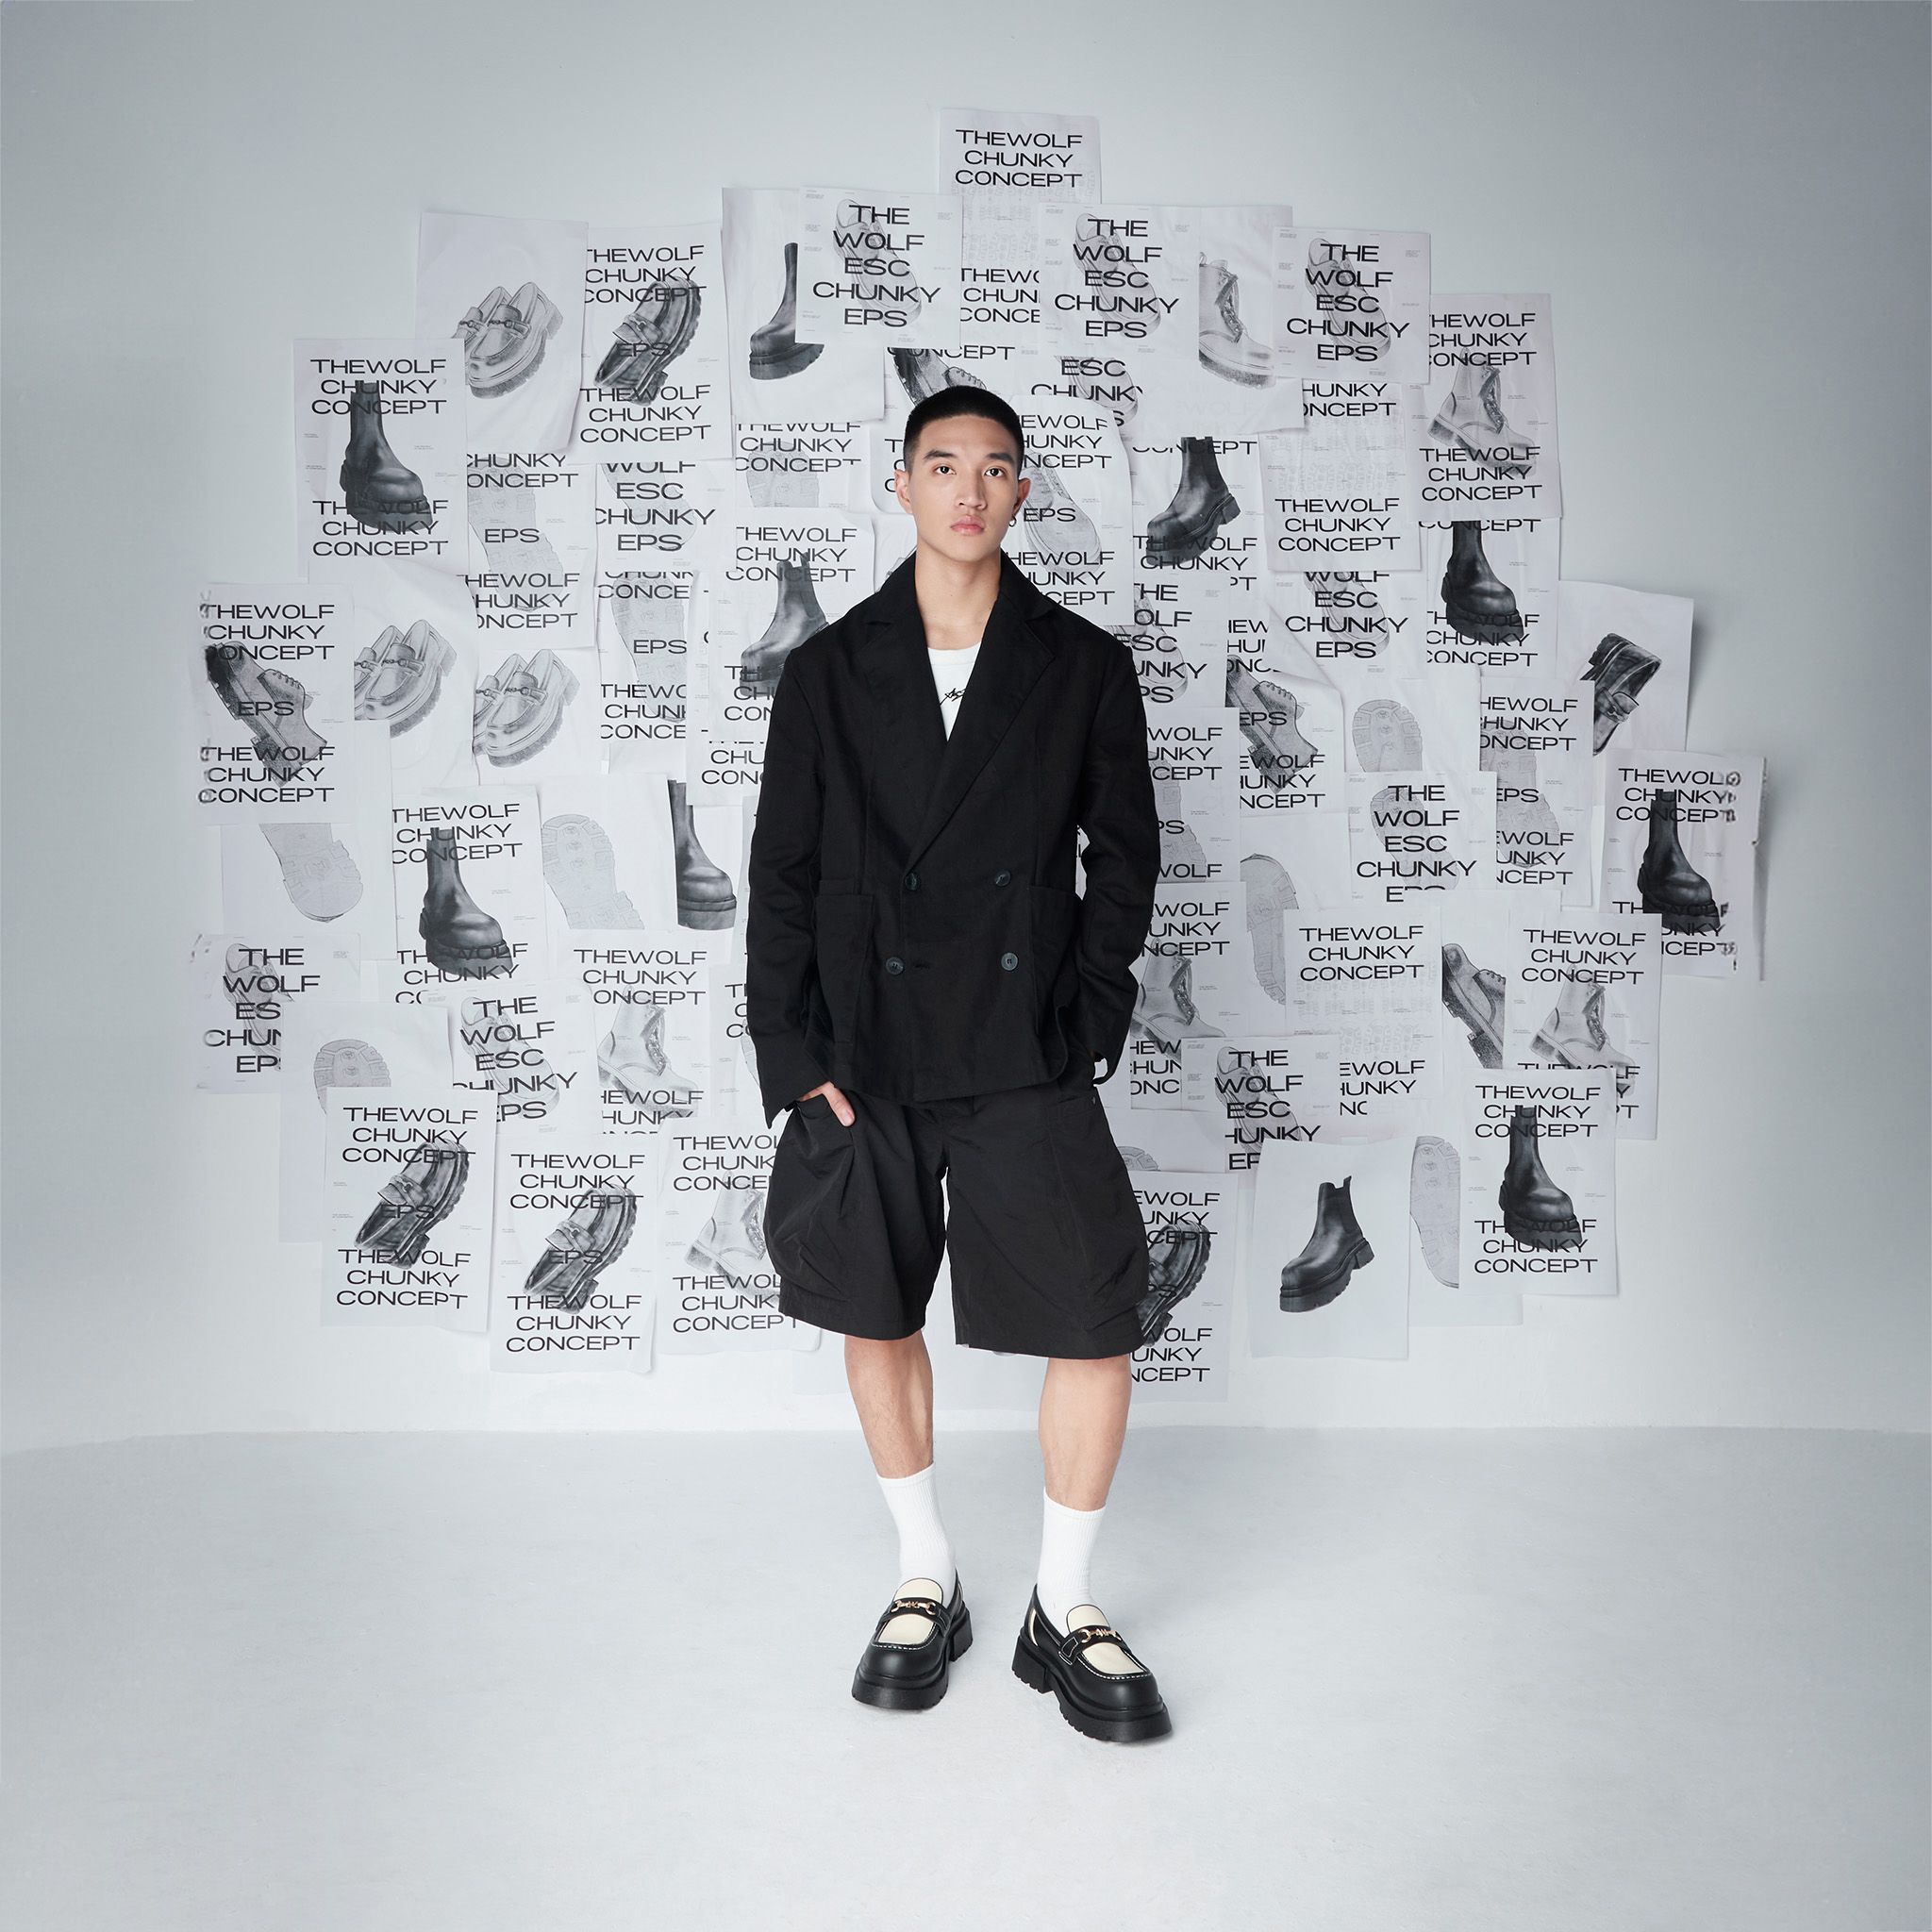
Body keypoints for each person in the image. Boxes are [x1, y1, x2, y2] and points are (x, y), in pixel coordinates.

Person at [744, 384, 1172, 1744]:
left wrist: (1088, 1014)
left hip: (1022, 1044)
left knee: (1096, 1318)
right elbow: (782, 874)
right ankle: (925, 1575)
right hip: (863, 1051)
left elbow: (1127, 856)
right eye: (943, 465)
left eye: (995, 467)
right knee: (875, 1311)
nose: (969, 490)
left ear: (1022, 492)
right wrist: (793, 1053)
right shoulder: (827, 670)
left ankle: (1065, 1602)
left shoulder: (1083, 663)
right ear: (903, 486)